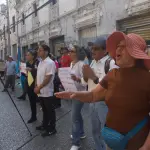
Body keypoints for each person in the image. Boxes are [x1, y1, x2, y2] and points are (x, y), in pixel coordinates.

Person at [55, 32, 150, 150]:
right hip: (110, 141)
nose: (118, 50)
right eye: (117, 46)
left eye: (123, 46)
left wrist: (146, 146)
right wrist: (74, 94)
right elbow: (93, 95)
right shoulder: (112, 74)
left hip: (136, 143)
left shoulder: (147, 79)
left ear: (135, 52)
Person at [81, 36, 117, 150]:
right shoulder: (92, 63)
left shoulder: (110, 63)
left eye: (96, 48)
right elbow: (84, 82)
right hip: (92, 102)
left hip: (104, 103)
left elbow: (113, 84)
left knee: (107, 131)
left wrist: (93, 77)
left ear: (105, 50)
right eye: (92, 48)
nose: (92, 51)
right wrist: (86, 76)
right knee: (95, 130)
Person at [34, 44, 57, 137]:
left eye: (40, 50)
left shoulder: (50, 63)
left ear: (46, 51)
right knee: (44, 109)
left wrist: (39, 87)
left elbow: (48, 77)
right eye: (38, 50)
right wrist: (36, 85)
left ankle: (52, 128)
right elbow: (38, 75)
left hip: (47, 91)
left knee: (50, 110)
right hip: (40, 91)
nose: (38, 52)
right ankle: (44, 125)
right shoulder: (40, 62)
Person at [67, 45, 87, 150]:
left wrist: (77, 79)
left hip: (80, 94)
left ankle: (76, 142)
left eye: (72, 51)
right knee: (77, 115)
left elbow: (86, 82)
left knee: (74, 117)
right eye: (69, 51)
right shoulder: (71, 64)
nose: (69, 53)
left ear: (78, 53)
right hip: (72, 92)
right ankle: (81, 133)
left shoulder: (81, 65)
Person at [26, 50, 39, 123]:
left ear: (33, 56)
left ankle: (46, 120)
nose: (26, 56)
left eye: (28, 55)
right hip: (29, 83)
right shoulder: (27, 63)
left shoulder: (37, 62)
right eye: (26, 55)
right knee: (31, 101)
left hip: (37, 84)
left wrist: (31, 70)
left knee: (41, 102)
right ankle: (33, 116)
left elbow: (38, 71)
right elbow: (27, 73)